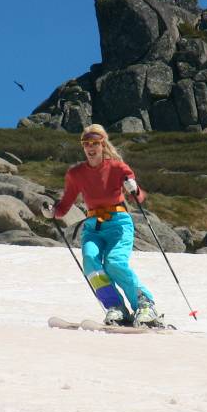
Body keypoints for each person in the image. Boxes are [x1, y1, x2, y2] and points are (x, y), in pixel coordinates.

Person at [42, 124, 161, 327]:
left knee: (114, 263)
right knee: (90, 262)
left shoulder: (118, 168)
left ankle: (145, 305)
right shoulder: (76, 174)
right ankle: (116, 308)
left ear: (102, 144)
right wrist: (52, 212)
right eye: (86, 143)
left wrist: (134, 188)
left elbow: (139, 198)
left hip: (119, 223)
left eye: (95, 143)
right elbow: (64, 205)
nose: (90, 147)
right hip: (93, 227)